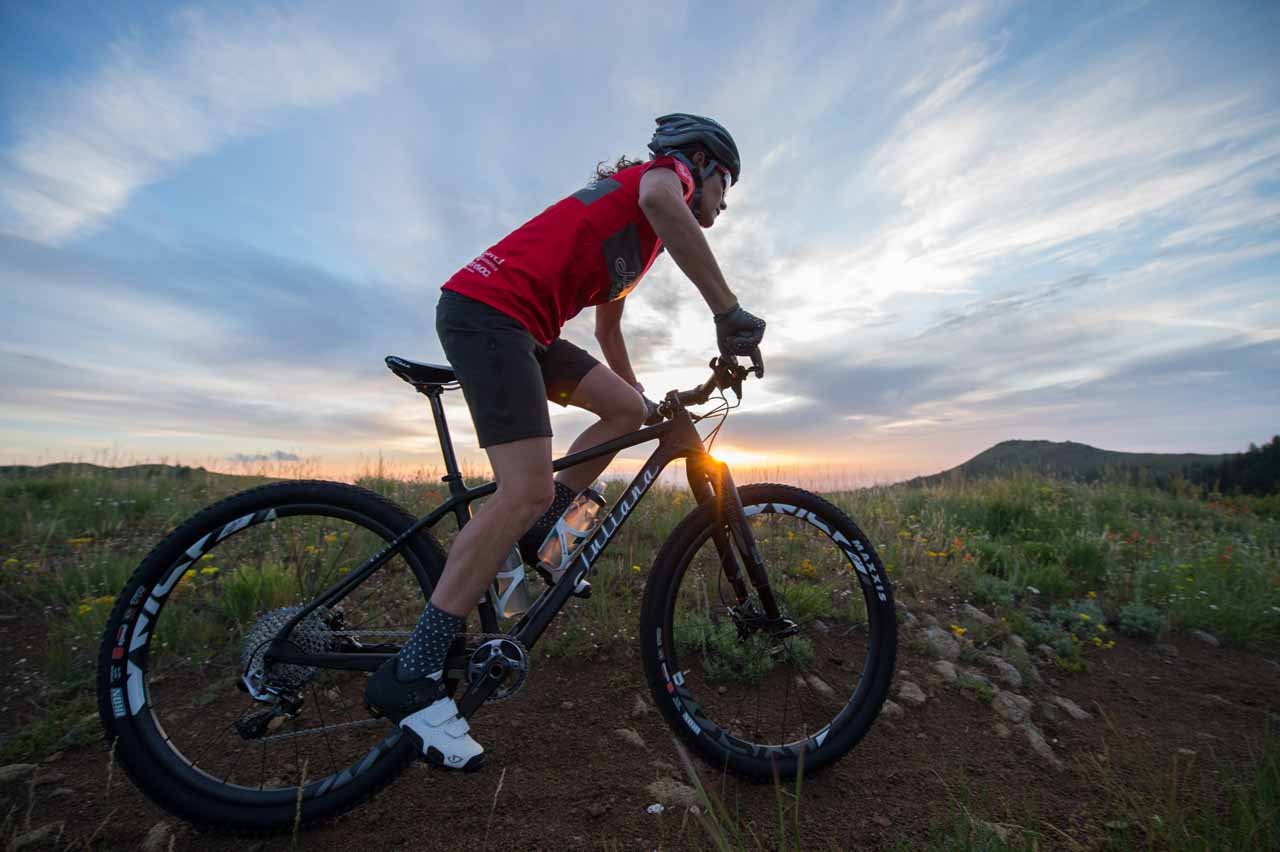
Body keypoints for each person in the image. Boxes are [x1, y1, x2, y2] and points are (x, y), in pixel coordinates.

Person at [364, 113, 766, 770]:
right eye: (728, 184)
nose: (724, 202)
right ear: (702, 163)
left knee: (622, 411)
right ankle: (414, 671)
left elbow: (608, 331)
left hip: (525, 325)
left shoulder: (640, 240)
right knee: (522, 488)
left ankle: (537, 534)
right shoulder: (664, 180)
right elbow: (663, 199)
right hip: (492, 312)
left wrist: (641, 400)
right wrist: (729, 311)